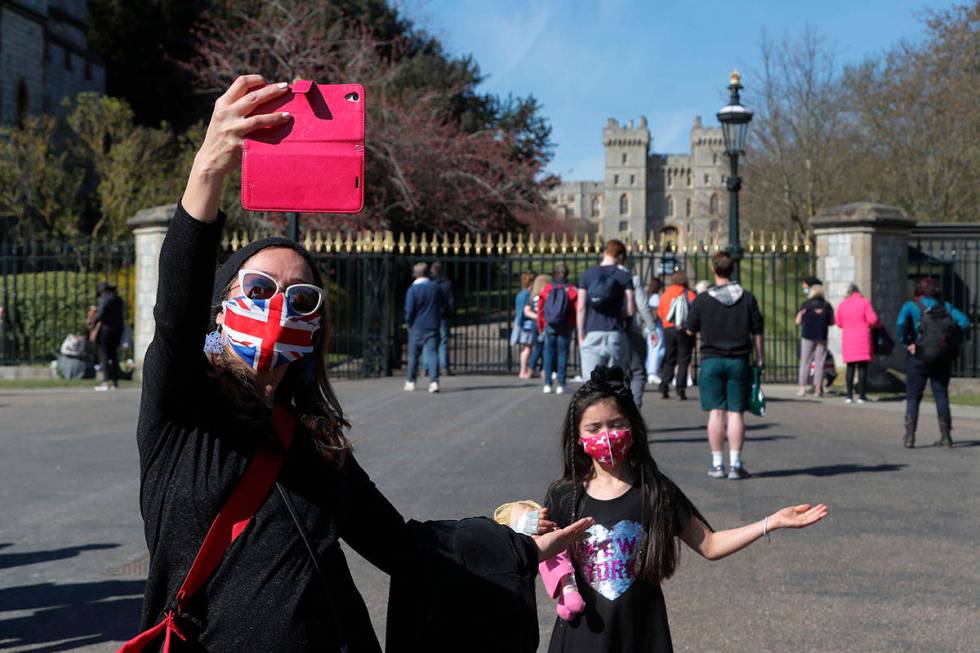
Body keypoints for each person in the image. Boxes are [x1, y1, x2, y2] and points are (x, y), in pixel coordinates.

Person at [122, 75, 592, 653]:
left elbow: (400, 544)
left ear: (315, 328)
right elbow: (175, 312)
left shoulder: (313, 444)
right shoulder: (183, 412)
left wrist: (514, 546)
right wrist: (207, 171)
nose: (279, 308)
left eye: (301, 300)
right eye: (262, 288)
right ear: (221, 306)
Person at [543, 366, 828, 652]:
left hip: (641, 635)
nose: (606, 435)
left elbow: (711, 545)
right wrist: (520, 520)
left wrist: (771, 522)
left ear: (632, 426)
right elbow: (535, 552)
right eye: (594, 428)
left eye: (616, 424)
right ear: (578, 436)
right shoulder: (565, 496)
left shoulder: (655, 491)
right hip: (581, 638)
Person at [684, 252, 764, 480]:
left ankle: (718, 463)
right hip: (738, 359)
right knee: (736, 413)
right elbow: (757, 331)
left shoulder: (703, 299)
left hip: (711, 359)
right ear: (732, 270)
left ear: (713, 270)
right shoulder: (747, 298)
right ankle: (736, 464)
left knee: (716, 412)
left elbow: (690, 329)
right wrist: (759, 357)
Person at [896, 277, 970, 448]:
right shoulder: (945, 307)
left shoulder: (911, 306)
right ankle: (946, 437)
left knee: (914, 396)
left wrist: (907, 342)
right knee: (941, 394)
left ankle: (909, 436)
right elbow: (964, 321)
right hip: (941, 357)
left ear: (918, 290)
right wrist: (950, 339)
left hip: (919, 356)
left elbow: (900, 323)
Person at [576, 240, 634, 379]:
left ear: (605, 253)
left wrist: (580, 334)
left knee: (591, 387)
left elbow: (581, 307)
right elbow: (631, 309)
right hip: (615, 333)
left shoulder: (587, 275)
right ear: (620, 257)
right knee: (614, 386)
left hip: (593, 332)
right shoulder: (624, 276)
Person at [404, 262, 446, 393]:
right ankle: (434, 382)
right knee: (433, 353)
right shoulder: (435, 288)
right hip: (433, 325)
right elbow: (442, 305)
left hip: (417, 326)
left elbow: (409, 310)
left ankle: (411, 381)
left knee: (413, 355)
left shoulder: (413, 290)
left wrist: (408, 322)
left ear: (415, 275)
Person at [538, 264, 578, 395]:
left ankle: (547, 384)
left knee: (548, 353)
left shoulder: (547, 289)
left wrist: (541, 325)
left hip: (550, 324)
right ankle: (561, 384)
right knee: (563, 354)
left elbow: (540, 309)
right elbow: (576, 309)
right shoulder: (571, 290)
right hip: (565, 325)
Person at [835, 284, 879, 404]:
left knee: (850, 367)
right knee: (862, 368)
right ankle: (861, 396)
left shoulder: (843, 305)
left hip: (848, 338)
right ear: (858, 292)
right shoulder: (865, 302)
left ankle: (849, 396)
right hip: (863, 337)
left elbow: (838, 322)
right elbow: (873, 319)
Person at [656, 272, 695, 400]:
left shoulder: (666, 294)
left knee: (670, 357)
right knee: (683, 359)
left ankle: (664, 385)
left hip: (668, 329)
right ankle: (680, 389)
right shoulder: (689, 294)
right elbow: (695, 312)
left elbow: (661, 313)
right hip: (683, 328)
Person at [624, 265, 656, 408]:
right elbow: (642, 306)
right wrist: (652, 328)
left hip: (607, 329)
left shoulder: (598, 276)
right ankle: (633, 412)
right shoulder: (633, 279)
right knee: (637, 372)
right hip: (631, 329)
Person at [795, 283, 834, 396]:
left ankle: (802, 388)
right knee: (819, 364)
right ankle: (818, 388)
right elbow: (832, 321)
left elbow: (797, 321)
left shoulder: (805, 305)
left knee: (805, 362)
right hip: (821, 336)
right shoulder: (827, 305)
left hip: (807, 336)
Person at [90, 280, 125, 391]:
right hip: (118, 330)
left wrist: (93, 320)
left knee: (104, 355)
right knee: (114, 355)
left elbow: (101, 315)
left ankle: (106, 381)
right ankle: (115, 381)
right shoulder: (118, 299)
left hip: (106, 331)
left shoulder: (105, 299)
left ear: (102, 291)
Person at [429, 261, 455, 376]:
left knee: (429, 342)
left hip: (431, 315)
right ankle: (444, 366)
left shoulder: (429, 283)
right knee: (443, 341)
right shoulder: (447, 283)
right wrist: (449, 312)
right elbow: (451, 301)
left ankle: (427, 366)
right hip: (443, 315)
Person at [527, 274, 552, 379]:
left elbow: (527, 311)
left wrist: (536, 317)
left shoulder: (532, 296)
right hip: (544, 323)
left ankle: (531, 369)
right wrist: (541, 317)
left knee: (537, 348)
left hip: (535, 324)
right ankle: (544, 371)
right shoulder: (547, 295)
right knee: (546, 348)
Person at [514, 270, 537, 378]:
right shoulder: (527, 294)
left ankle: (523, 370)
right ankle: (523, 371)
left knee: (527, 348)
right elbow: (525, 311)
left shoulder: (521, 293)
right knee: (528, 348)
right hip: (526, 324)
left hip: (522, 323)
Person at [644, 278, 664, 386]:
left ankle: (649, 371)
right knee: (658, 349)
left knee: (650, 349)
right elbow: (656, 314)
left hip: (648, 327)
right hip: (656, 327)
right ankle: (653, 372)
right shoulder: (656, 297)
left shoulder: (648, 296)